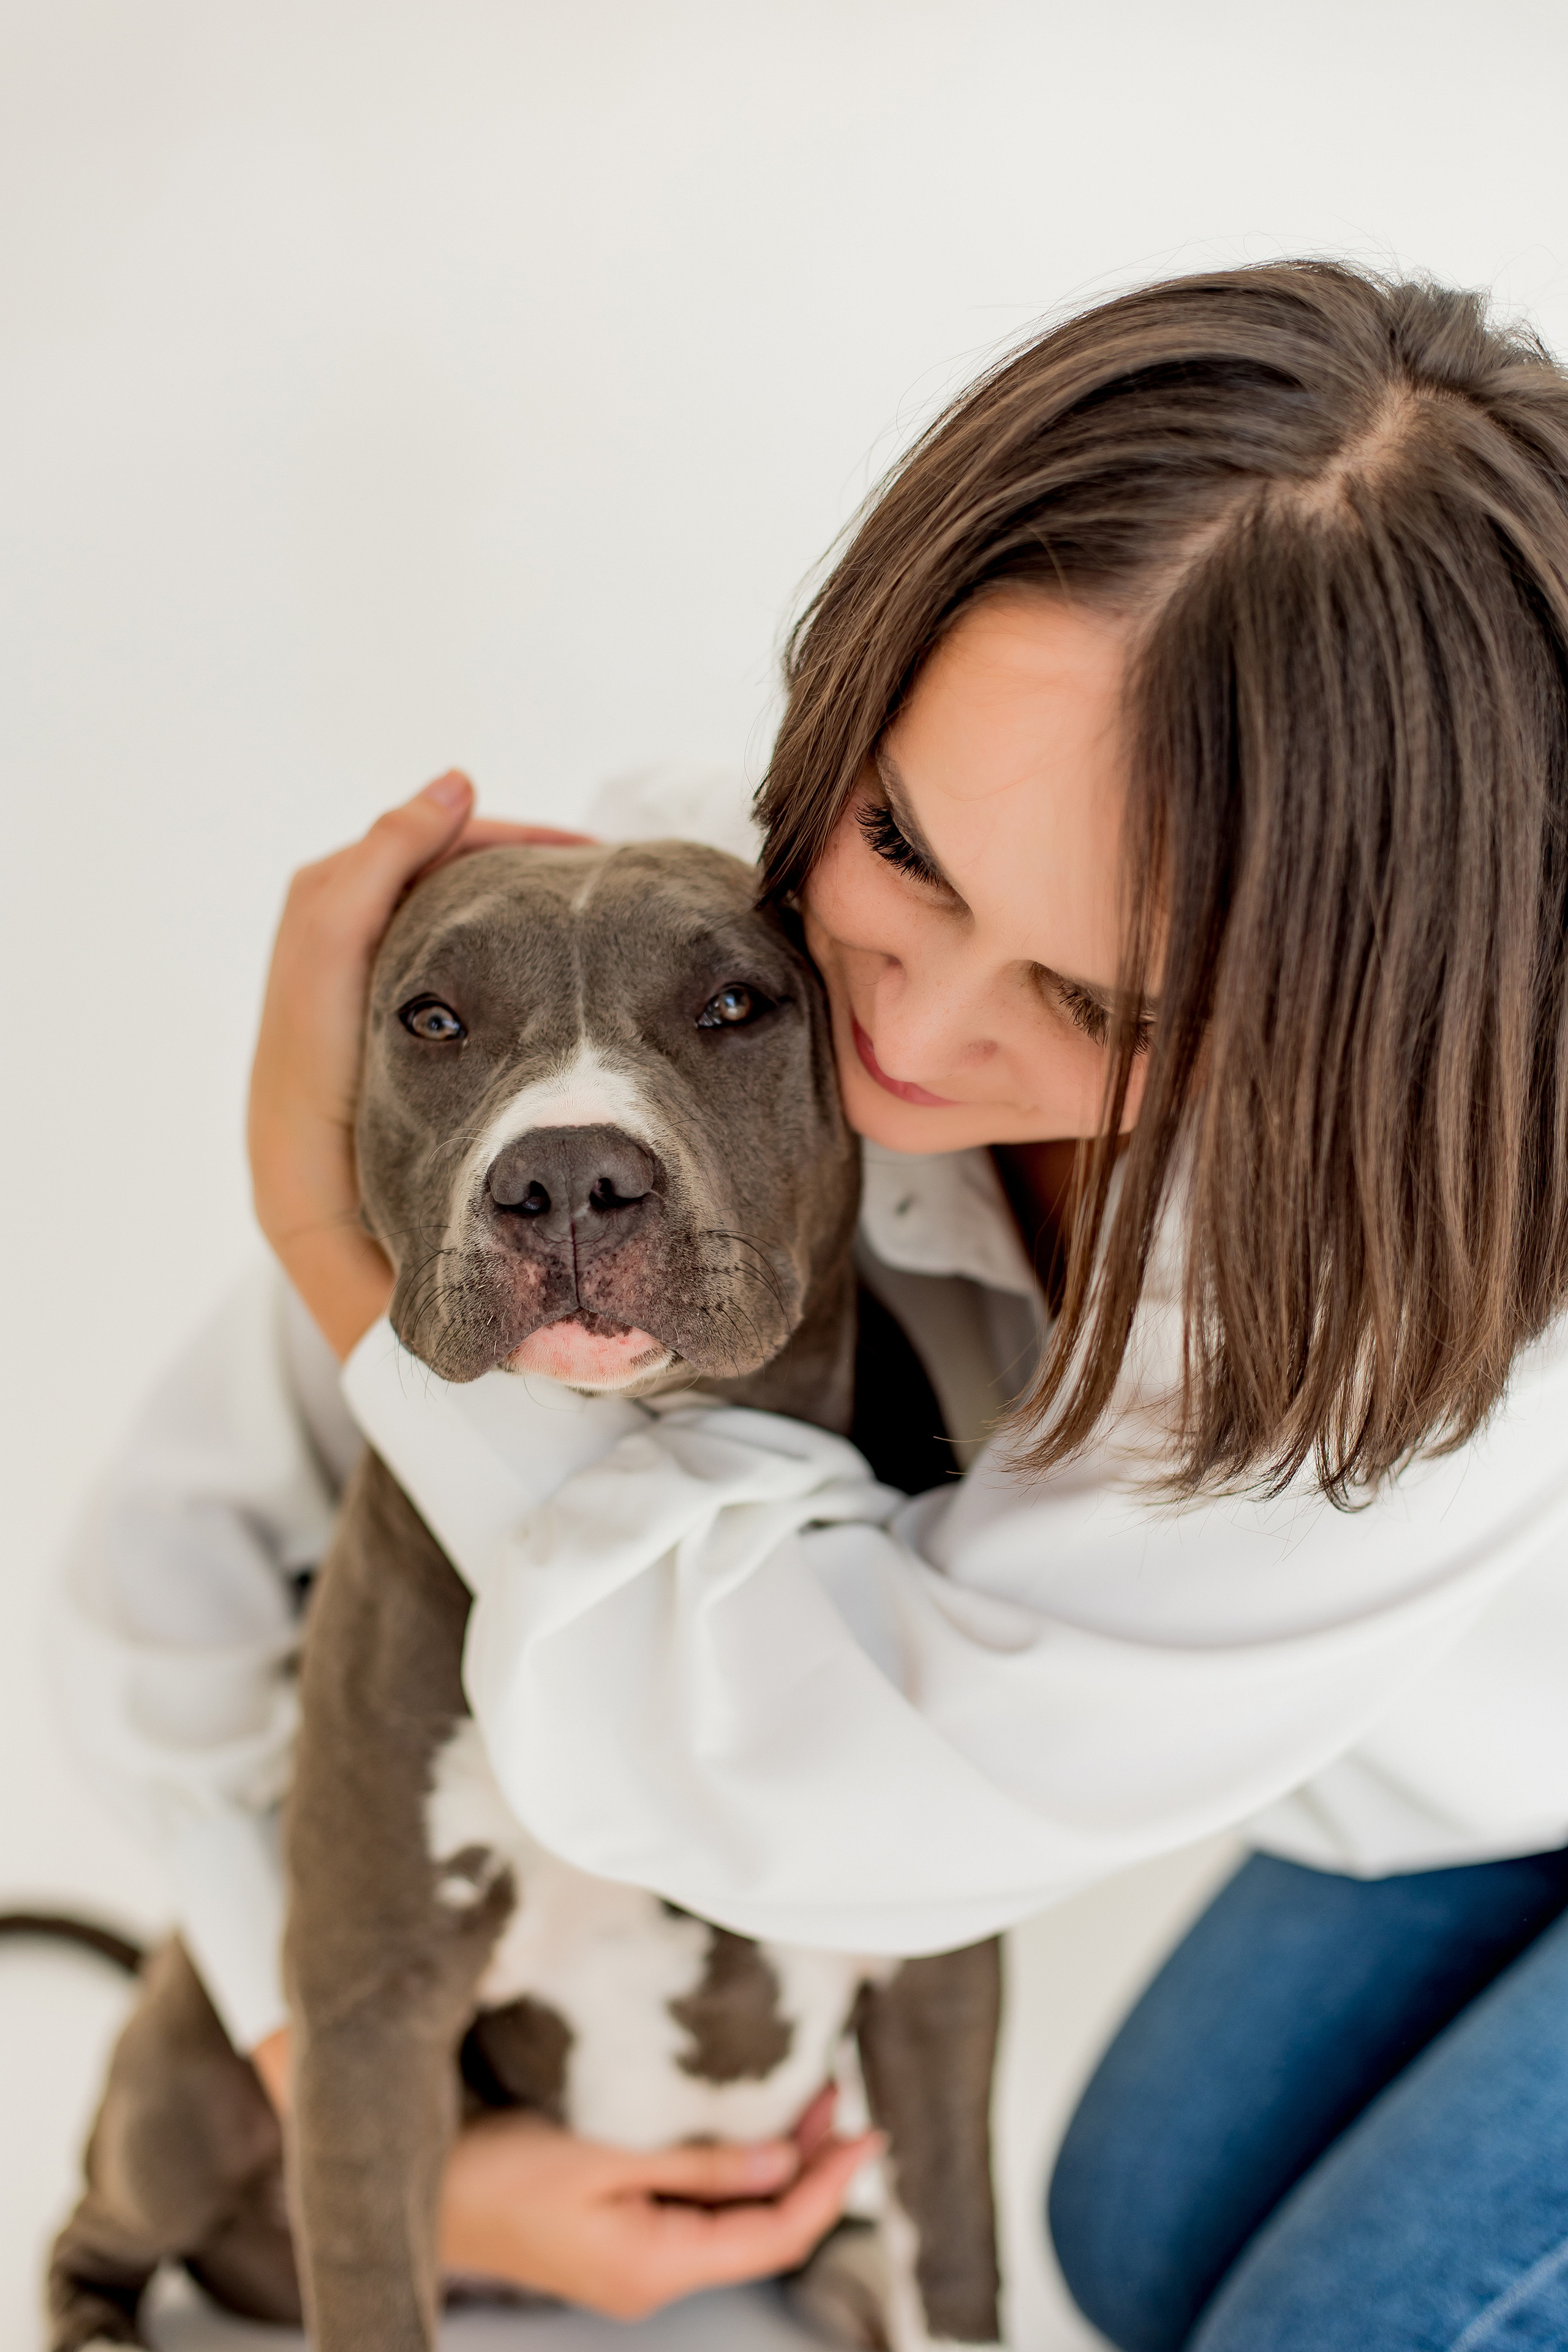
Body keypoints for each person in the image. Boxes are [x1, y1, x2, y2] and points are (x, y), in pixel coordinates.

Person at [57, 261, 1568, 2348]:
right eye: (904, 844)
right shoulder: (697, 944)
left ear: (1352, 1018)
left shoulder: (1433, 1334)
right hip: (1406, 1779)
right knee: (1129, 2226)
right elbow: (175, 1572)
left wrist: (331, 1236)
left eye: (1106, 999)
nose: (915, 1032)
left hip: (1496, 1741)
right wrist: (332, 2075)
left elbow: (836, 1802)